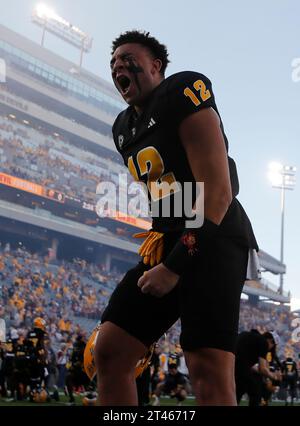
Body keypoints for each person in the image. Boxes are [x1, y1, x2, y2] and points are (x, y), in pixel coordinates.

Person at [93, 30, 258, 406]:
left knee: (207, 367)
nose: (118, 64)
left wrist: (174, 266)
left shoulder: (182, 90)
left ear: (156, 66)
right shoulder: (123, 128)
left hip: (213, 234)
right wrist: (166, 255)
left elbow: (217, 192)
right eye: (113, 61)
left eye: (128, 58)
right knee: (112, 349)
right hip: (167, 238)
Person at [235, 330, 281, 406]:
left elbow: (248, 365)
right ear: (270, 341)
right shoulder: (264, 343)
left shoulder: (246, 335)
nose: (271, 348)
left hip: (232, 368)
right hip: (241, 372)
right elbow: (262, 369)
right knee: (256, 394)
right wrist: (274, 376)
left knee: (235, 396)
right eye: (273, 345)